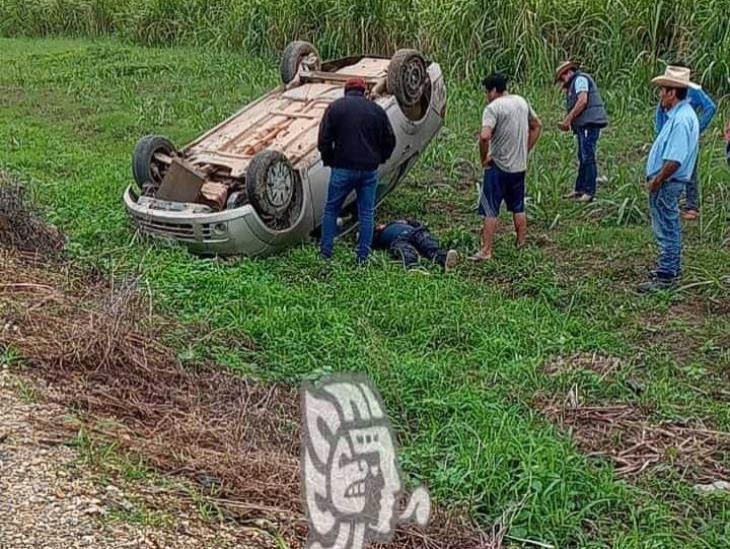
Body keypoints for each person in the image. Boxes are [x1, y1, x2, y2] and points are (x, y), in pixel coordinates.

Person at [318, 77, 396, 264]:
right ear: (364, 91)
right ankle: (362, 256)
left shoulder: (335, 108)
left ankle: (326, 253)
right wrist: (379, 159)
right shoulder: (377, 111)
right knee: (366, 213)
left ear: (346, 91)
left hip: (342, 167)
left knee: (331, 210)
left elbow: (323, 140)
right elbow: (390, 140)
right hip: (368, 170)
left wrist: (330, 159)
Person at [639, 66, 699, 293]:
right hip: (667, 181)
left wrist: (657, 180)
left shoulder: (681, 120)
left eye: (662, 90)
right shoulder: (681, 115)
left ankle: (667, 276)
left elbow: (675, 159)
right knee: (667, 225)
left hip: (668, 182)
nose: (660, 95)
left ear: (672, 93)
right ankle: (669, 269)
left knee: (667, 227)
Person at [470, 73, 542, 261]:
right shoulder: (521, 102)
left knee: (490, 208)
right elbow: (537, 125)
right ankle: (521, 243)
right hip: (519, 166)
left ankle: (486, 250)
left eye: (487, 91)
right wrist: (525, 149)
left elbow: (485, 136)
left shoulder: (493, 108)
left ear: (494, 90)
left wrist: (484, 157)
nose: (486, 95)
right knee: (518, 207)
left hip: (498, 166)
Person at [655, 66, 716, 220]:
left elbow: (710, 107)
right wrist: (661, 133)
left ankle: (691, 205)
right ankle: (668, 199)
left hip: (685, 133)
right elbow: (660, 112)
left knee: (689, 167)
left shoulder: (694, 93)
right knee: (667, 166)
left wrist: (698, 128)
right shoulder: (667, 95)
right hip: (669, 132)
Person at [555, 61, 609, 202]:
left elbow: (582, 101)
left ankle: (589, 192)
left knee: (587, 157)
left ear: (568, 73)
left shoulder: (580, 80)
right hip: (584, 124)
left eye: (562, 78)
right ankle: (580, 189)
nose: (562, 82)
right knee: (582, 157)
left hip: (588, 124)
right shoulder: (576, 82)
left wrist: (568, 119)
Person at [373, 219, 458, 271]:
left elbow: (417, 224)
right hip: (397, 239)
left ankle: (443, 258)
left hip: (414, 232)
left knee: (428, 243)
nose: (380, 225)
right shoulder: (379, 235)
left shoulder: (397, 222)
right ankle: (413, 268)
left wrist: (411, 223)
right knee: (405, 250)